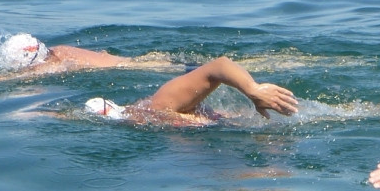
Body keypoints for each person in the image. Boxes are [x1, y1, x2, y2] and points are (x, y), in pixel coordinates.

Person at [83, 56, 298, 126]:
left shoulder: (160, 103)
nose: (135, 118)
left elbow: (220, 65)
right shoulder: (155, 121)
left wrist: (254, 90)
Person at [0, 32, 179, 75]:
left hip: (141, 67)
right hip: (143, 60)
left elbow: (13, 79)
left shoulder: (58, 65)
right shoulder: (60, 50)